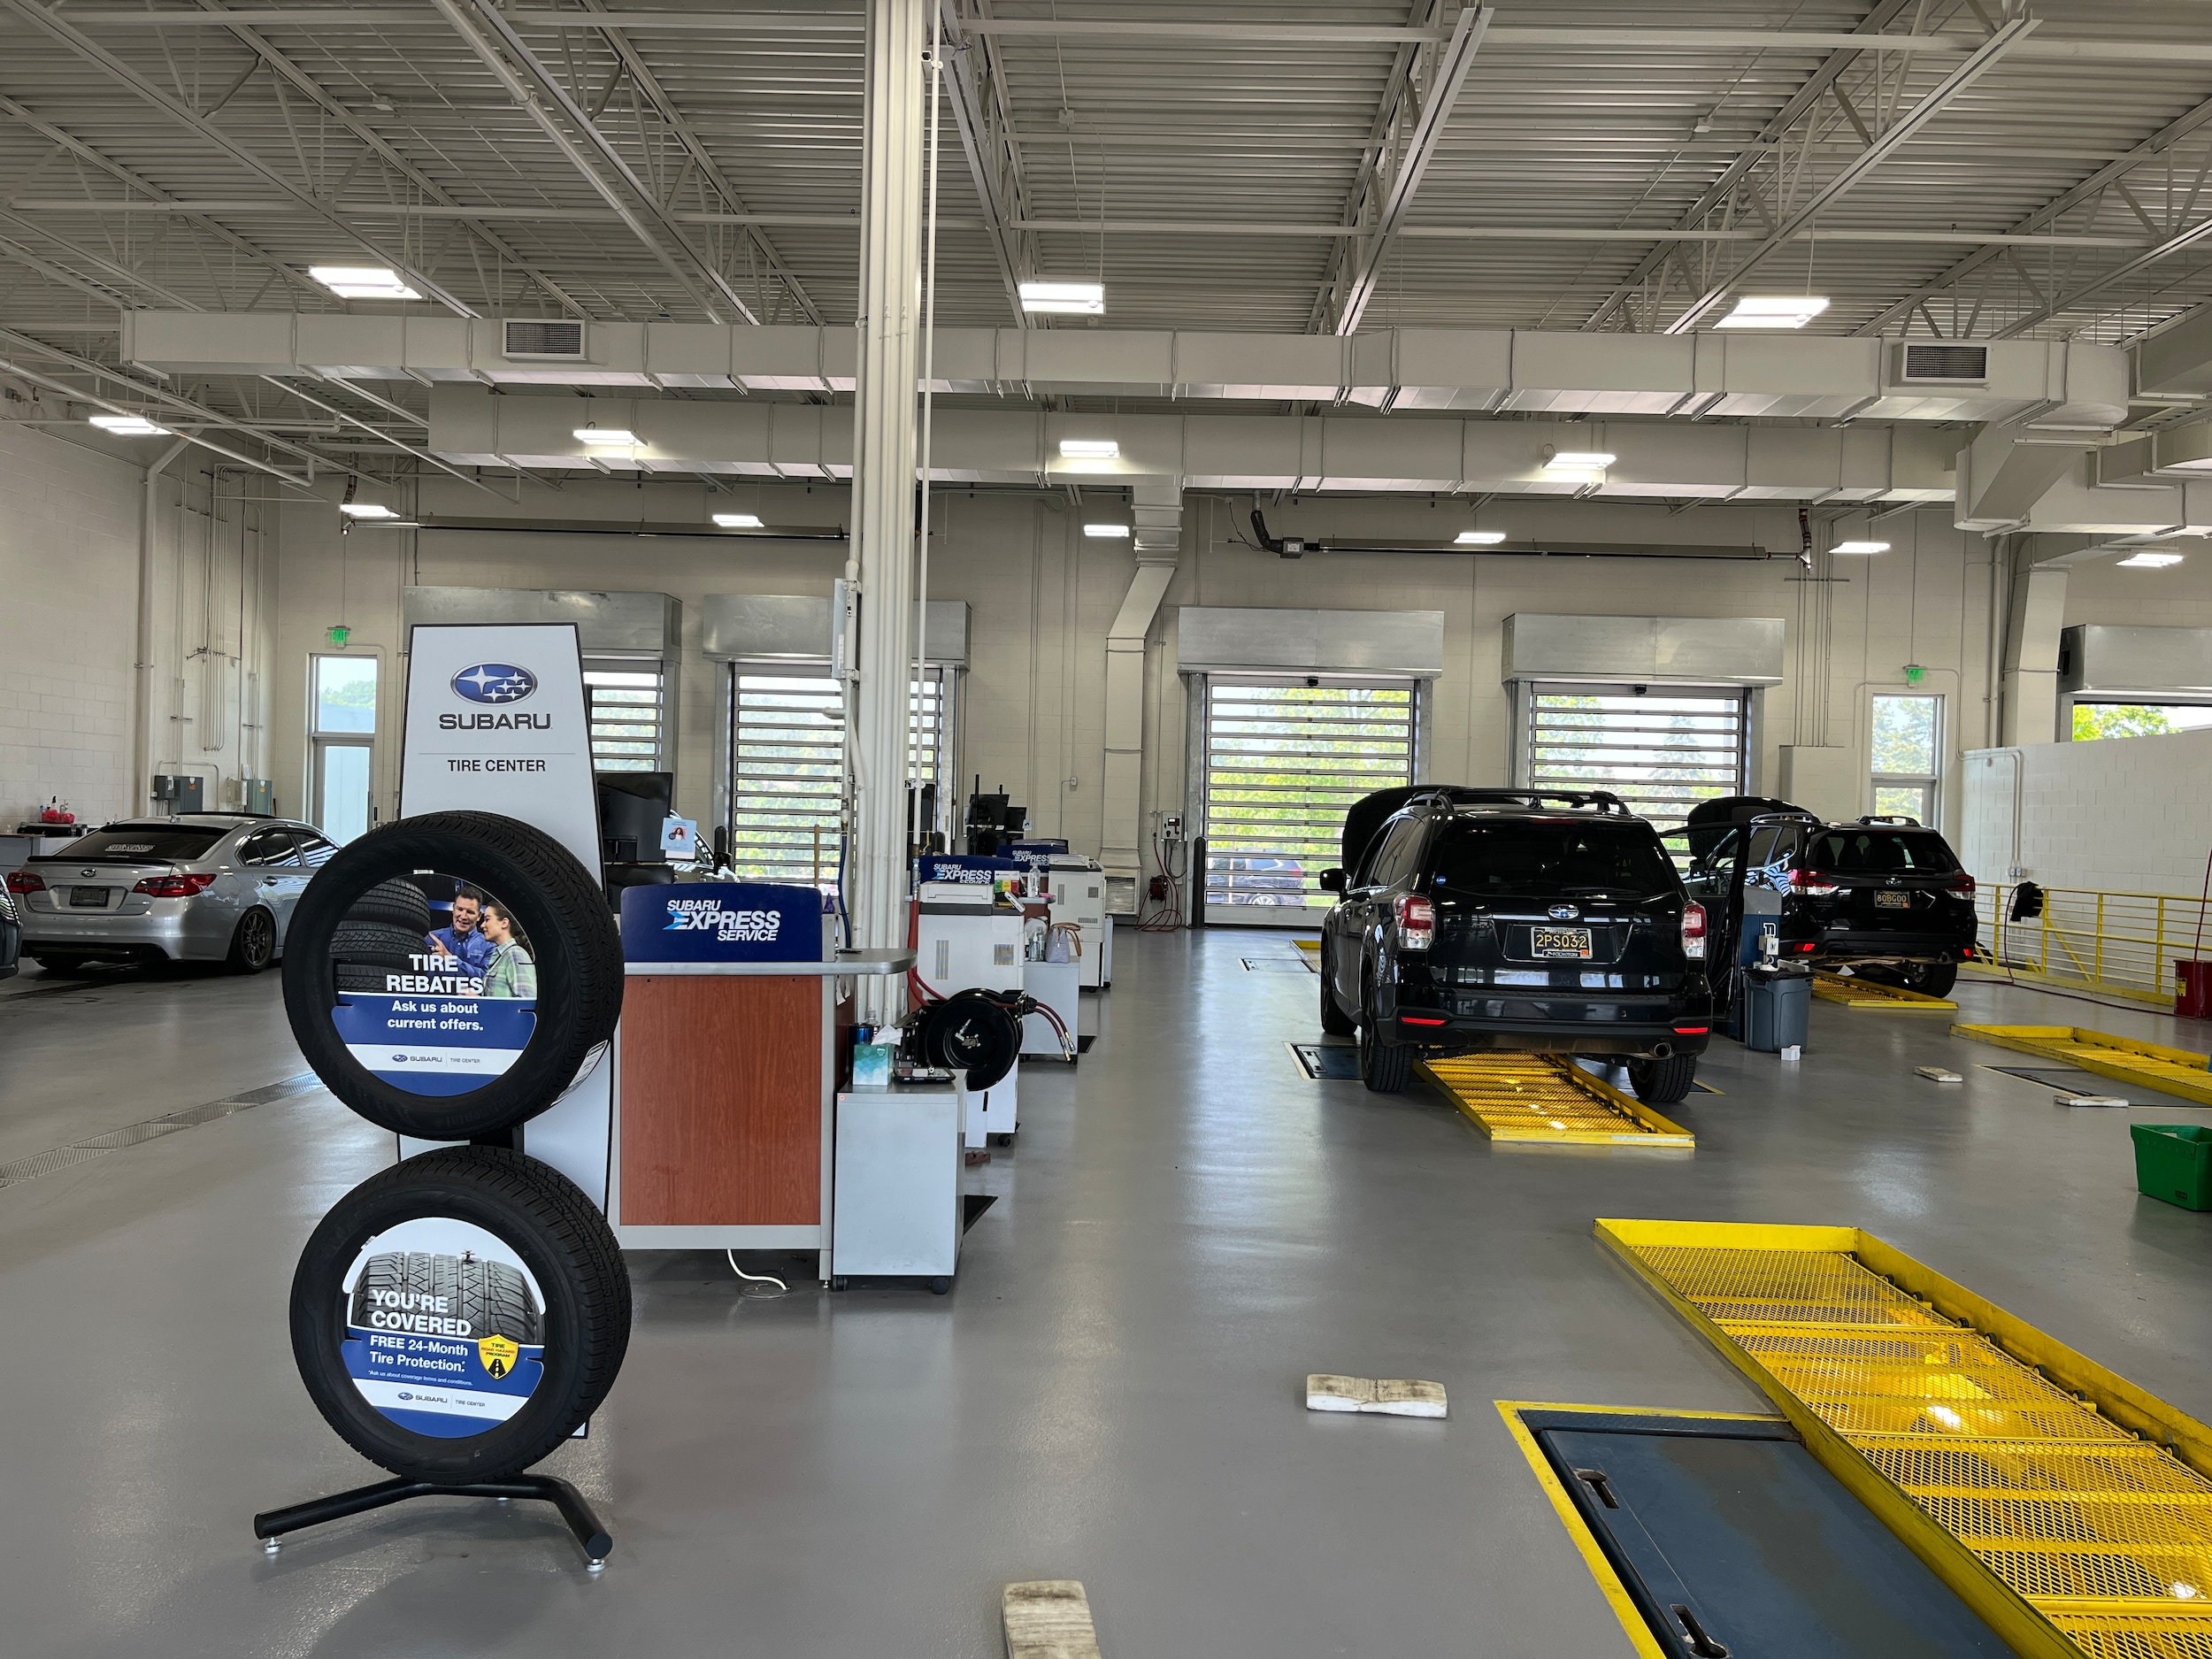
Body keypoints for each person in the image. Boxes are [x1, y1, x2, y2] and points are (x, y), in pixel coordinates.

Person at [426, 887, 494, 974]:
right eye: (460, 909)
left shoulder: (489, 946)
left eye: (470, 912)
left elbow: (487, 978)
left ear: (479, 916)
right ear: (453, 909)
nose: (463, 916)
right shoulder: (431, 939)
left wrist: (450, 959)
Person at [479, 902, 537, 1000]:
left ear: (504, 923)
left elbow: (526, 1001)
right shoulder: (502, 956)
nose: (482, 925)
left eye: (487, 919)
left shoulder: (516, 954)